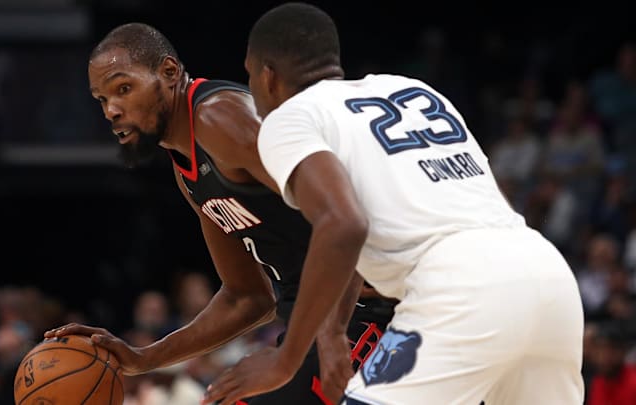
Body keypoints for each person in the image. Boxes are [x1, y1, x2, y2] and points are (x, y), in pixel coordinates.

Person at [202, 3, 585, 405]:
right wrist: (331, 334)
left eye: (249, 75)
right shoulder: (413, 90)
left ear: (268, 76)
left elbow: (344, 225)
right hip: (547, 274)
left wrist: (286, 358)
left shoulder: (289, 119)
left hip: (459, 287)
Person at [43, 22, 393, 404]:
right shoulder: (187, 167)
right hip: (316, 323)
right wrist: (143, 358)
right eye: (101, 99)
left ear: (170, 73)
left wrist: (311, 344)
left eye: (124, 89)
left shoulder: (222, 118)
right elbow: (247, 298)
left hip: (370, 311)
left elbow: (345, 214)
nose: (112, 110)